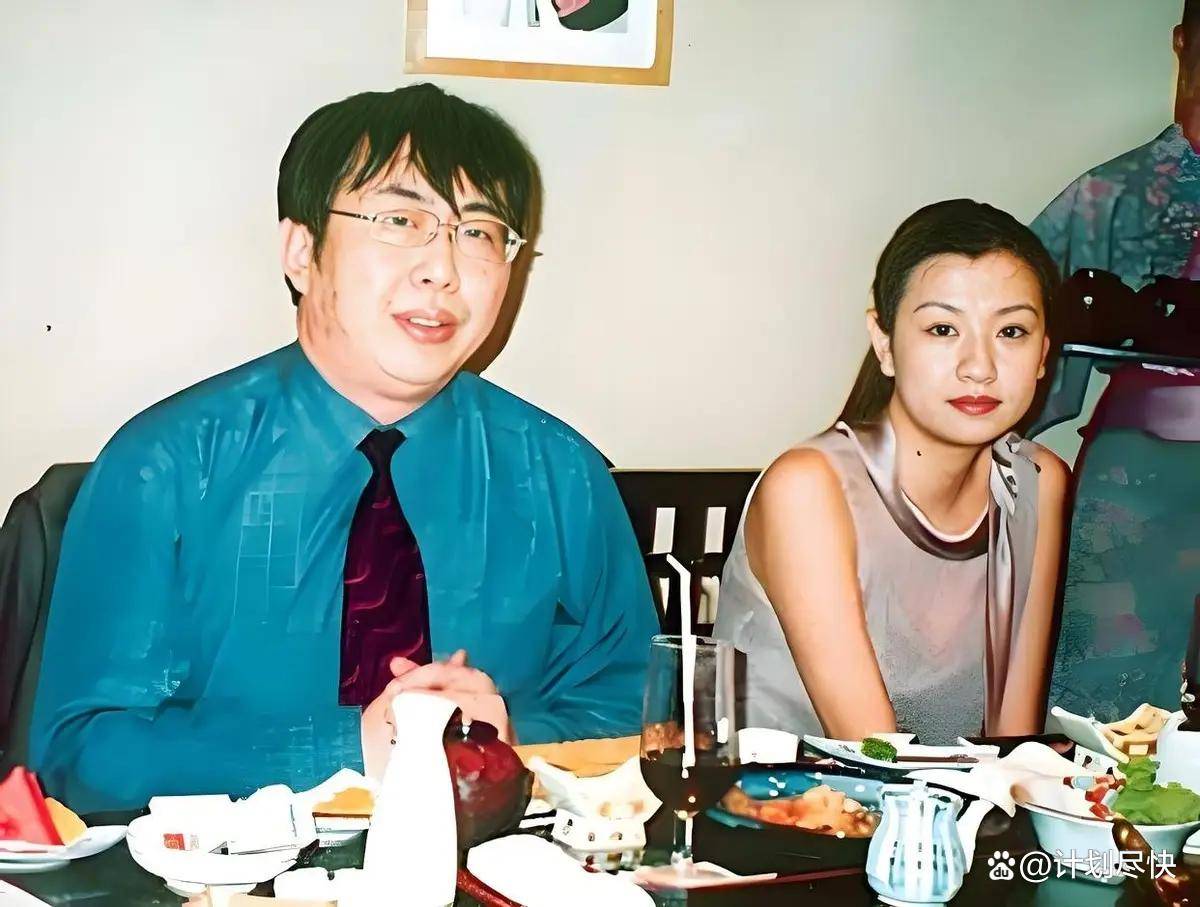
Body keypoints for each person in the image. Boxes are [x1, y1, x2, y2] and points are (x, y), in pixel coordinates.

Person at [29, 83, 659, 812]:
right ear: (303, 252)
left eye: (480, 232)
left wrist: (504, 740)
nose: (443, 269)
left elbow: (634, 712)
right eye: (401, 220)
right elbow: (79, 753)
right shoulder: (165, 466)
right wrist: (347, 747)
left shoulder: (563, 474)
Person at [713, 200, 1069, 744]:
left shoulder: (1035, 482)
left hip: (958, 797)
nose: (979, 367)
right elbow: (872, 752)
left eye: (1011, 332)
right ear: (884, 343)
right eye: (943, 329)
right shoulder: (809, 489)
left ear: (1043, 353)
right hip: (780, 793)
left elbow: (1013, 745)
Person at [1027, 1, 1200, 719]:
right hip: (1139, 476)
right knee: (1108, 717)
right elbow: (1018, 345)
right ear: (1183, 40)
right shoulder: (1110, 194)